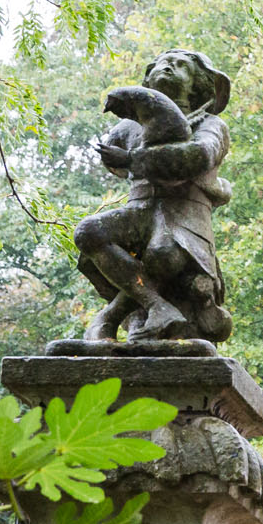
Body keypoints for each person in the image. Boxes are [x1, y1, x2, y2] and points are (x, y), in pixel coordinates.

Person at [72, 48, 235, 344]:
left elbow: (197, 156)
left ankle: (111, 319)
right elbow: (112, 159)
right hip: (139, 209)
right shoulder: (127, 128)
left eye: (180, 65)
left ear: (197, 85)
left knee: (163, 254)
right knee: (88, 232)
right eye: (163, 63)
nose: (168, 67)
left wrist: (134, 159)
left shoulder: (210, 125)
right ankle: (156, 308)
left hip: (183, 214)